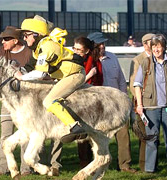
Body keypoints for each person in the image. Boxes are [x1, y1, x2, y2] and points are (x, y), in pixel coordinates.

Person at [14, 15, 87, 144]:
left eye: (26, 35)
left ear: (36, 35)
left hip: (74, 75)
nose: (24, 39)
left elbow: (40, 74)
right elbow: (30, 66)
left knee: (49, 101)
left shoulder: (47, 47)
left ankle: (75, 127)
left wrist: (22, 77)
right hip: (66, 76)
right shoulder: (38, 48)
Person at [88, 32, 136, 173]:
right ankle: (95, 165)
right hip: (97, 106)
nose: (102, 46)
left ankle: (124, 165)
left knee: (123, 133)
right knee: (95, 137)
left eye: (103, 43)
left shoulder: (112, 57)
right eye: (99, 44)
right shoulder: (89, 60)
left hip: (116, 104)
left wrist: (124, 98)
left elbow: (121, 79)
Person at [0, 26, 32, 176]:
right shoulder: (2, 52)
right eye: (2, 39)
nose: (3, 41)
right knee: (5, 134)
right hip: (7, 101)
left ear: (15, 41)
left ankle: (26, 168)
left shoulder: (29, 53)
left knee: (25, 134)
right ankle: (2, 168)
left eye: (6, 39)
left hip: (25, 100)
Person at [134, 34, 167, 173]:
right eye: (154, 46)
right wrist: (140, 105)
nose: (156, 49)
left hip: (166, 107)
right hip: (151, 107)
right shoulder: (146, 63)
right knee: (152, 139)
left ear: (164, 47)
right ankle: (149, 169)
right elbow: (137, 84)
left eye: (159, 46)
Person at [73, 36, 103, 168]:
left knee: (94, 130)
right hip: (77, 99)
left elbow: (99, 80)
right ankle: (83, 161)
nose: (75, 51)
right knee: (81, 131)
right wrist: (88, 76)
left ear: (86, 51)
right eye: (74, 48)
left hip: (92, 99)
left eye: (79, 49)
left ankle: (97, 159)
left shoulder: (94, 61)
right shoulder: (72, 60)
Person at [129, 33, 154, 172]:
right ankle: (145, 165)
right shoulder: (138, 60)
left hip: (158, 101)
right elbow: (133, 84)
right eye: (151, 42)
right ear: (145, 44)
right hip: (142, 103)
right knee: (145, 134)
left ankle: (152, 162)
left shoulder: (160, 57)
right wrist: (140, 102)